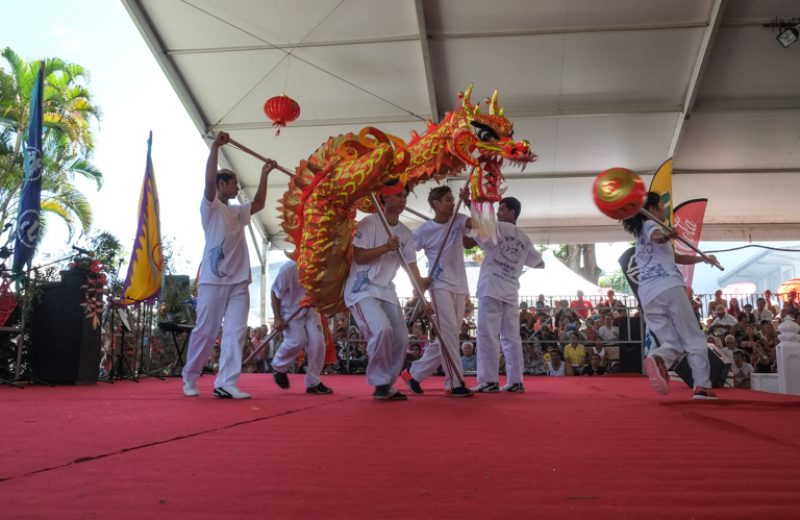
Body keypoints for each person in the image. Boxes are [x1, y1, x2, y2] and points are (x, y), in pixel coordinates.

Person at [181, 131, 275, 399]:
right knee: (206, 332)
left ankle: (226, 382)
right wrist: (215, 149)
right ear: (222, 186)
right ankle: (190, 376)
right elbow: (209, 179)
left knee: (235, 332)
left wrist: (265, 173)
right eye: (233, 184)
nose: (237, 188)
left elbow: (258, 203)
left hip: (238, 282)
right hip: (212, 281)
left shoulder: (237, 212)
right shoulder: (210, 207)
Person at [624, 192, 719, 400]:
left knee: (673, 343)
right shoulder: (650, 225)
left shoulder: (640, 231)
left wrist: (703, 260)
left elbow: (675, 257)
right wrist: (667, 236)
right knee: (693, 337)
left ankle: (657, 356)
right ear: (651, 209)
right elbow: (657, 237)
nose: (664, 210)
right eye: (661, 205)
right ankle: (702, 387)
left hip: (648, 294)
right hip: (668, 286)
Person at [344, 180, 429, 401]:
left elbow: (412, 268)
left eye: (404, 196)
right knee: (382, 330)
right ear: (383, 197)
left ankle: (387, 385)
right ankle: (379, 381)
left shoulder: (406, 234)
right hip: (362, 289)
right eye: (398, 195)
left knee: (401, 338)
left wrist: (422, 296)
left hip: (386, 291)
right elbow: (360, 256)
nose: (402, 199)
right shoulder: (369, 224)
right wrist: (386, 247)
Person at [465, 197, 544, 393]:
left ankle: (489, 380)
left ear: (512, 212)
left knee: (487, 335)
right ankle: (516, 380)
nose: (498, 213)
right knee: (511, 338)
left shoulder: (498, 227)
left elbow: (472, 238)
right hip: (510, 290)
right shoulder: (524, 238)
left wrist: (469, 205)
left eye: (502, 209)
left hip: (491, 287)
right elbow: (539, 263)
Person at [401, 186, 473, 397]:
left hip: (460, 285)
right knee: (449, 333)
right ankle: (455, 382)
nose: (451, 203)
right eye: (448, 200)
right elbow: (406, 253)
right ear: (436, 204)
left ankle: (413, 373)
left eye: (452, 200)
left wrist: (468, 202)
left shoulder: (459, 220)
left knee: (446, 335)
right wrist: (418, 282)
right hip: (439, 284)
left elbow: (481, 225)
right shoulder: (424, 230)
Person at [270, 260, 333, 395]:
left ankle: (313, 382)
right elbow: (274, 293)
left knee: (318, 342)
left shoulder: (322, 265)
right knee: (297, 340)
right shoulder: (288, 269)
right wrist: (277, 317)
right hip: (289, 309)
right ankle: (278, 367)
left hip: (310, 308)